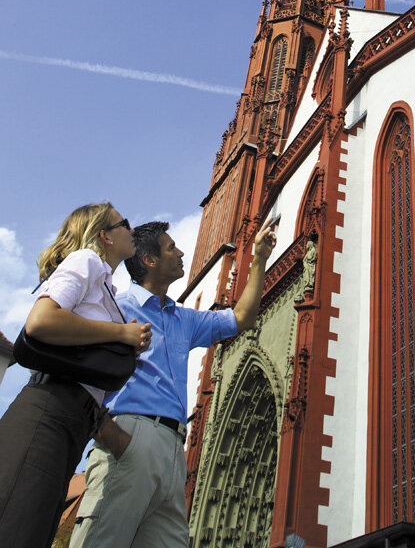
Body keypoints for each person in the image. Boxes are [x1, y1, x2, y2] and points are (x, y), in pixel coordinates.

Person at [71, 212, 278, 548]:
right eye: (172, 248)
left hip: (173, 448)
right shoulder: (117, 308)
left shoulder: (182, 317)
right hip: (131, 434)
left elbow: (242, 317)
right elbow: (76, 370)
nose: (181, 253)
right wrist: (112, 435)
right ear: (150, 260)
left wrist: (259, 258)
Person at [0, 203, 151, 548]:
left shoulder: (106, 285)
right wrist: (119, 336)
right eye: (123, 223)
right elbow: (41, 322)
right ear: (105, 236)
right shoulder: (87, 260)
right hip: (48, 411)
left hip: (70, 419)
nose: (132, 229)